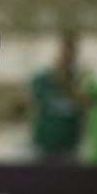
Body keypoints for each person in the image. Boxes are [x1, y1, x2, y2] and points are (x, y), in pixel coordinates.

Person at [30, 30, 87, 164]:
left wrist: (67, 83)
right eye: (64, 51)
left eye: (71, 52)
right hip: (44, 143)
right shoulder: (43, 78)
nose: (67, 56)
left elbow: (85, 104)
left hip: (70, 144)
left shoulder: (82, 79)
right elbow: (30, 102)